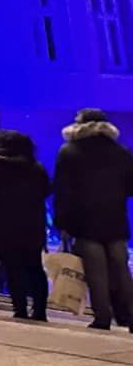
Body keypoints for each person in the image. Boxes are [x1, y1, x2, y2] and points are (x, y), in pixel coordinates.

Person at [52, 108, 133, 330]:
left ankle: (102, 317)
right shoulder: (121, 152)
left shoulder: (69, 152)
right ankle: (130, 316)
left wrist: (62, 223)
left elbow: (62, 191)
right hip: (115, 219)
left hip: (84, 222)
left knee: (96, 273)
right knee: (122, 270)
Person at [0, 130, 51, 322]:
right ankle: (40, 310)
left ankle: (19, 308)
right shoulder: (35, 168)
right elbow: (46, 191)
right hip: (32, 224)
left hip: (2, 225)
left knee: (13, 269)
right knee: (35, 267)